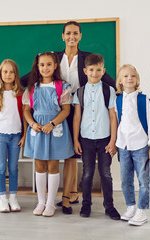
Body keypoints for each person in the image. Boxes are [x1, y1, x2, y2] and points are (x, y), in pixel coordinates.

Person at [21, 21, 117, 214]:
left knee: (72, 155)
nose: (71, 36)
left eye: (75, 33)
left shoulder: (88, 58)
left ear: (80, 36)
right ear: (62, 36)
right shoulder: (53, 57)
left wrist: (123, 88)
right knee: (56, 156)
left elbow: (107, 80)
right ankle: (53, 198)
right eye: (68, 33)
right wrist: (12, 84)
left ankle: (67, 196)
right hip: (56, 108)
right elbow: (30, 76)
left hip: (78, 109)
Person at [23, 52, 75, 217]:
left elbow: (66, 110)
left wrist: (52, 124)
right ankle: (41, 201)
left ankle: (51, 203)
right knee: (39, 166)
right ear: (37, 67)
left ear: (55, 66)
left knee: (53, 166)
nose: (45, 68)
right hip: (37, 129)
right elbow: (26, 110)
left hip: (55, 129)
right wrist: (32, 124)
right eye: (42, 65)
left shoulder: (62, 87)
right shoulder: (32, 88)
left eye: (48, 64)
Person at [72, 53, 120, 219]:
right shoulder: (79, 92)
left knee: (106, 173)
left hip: (105, 138)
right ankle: (86, 205)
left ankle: (110, 206)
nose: (94, 73)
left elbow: (113, 116)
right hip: (86, 139)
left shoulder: (109, 90)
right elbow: (77, 117)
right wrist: (75, 139)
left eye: (98, 70)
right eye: (91, 70)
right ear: (85, 70)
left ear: (103, 70)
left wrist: (113, 140)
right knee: (87, 173)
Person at [114, 64, 150, 226]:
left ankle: (141, 210)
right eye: (125, 76)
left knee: (143, 180)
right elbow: (118, 122)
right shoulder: (118, 99)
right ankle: (131, 206)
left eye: (132, 76)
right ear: (120, 80)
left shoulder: (143, 99)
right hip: (123, 145)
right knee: (125, 180)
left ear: (137, 79)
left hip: (141, 145)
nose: (129, 79)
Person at [0, 59, 26, 213]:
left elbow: (25, 117)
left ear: (16, 74)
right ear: (0, 74)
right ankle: (3, 198)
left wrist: (24, 136)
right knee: (1, 167)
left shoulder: (21, 94)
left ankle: (13, 198)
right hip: (0, 136)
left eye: (11, 72)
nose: (8, 74)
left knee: (14, 168)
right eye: (5, 71)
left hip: (16, 136)